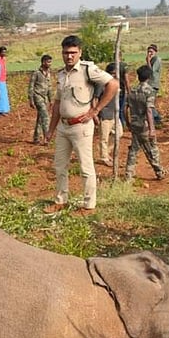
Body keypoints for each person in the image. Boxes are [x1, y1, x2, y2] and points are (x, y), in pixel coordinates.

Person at [44, 35, 117, 216]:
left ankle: (88, 205)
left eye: (73, 53)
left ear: (79, 53)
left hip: (81, 127)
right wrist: (50, 131)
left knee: (86, 167)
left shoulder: (87, 70)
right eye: (66, 53)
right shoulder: (61, 74)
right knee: (60, 166)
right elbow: (57, 104)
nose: (69, 56)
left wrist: (96, 110)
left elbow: (113, 85)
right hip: (63, 126)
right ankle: (61, 200)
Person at [125, 64, 167, 181]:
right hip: (144, 126)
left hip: (135, 124)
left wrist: (128, 122)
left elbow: (125, 108)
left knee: (133, 149)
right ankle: (159, 171)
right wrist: (152, 129)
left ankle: (129, 174)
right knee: (152, 149)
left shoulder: (132, 90)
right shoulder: (149, 91)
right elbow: (149, 110)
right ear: (149, 77)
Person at [96, 62, 122, 168]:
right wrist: (96, 113)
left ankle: (106, 151)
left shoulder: (116, 83)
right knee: (104, 137)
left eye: (115, 73)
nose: (114, 75)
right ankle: (104, 157)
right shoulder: (101, 84)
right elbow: (95, 99)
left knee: (119, 133)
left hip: (114, 113)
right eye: (112, 73)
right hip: (105, 113)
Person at [28, 54, 53, 145]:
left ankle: (36, 138)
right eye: (48, 62)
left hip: (44, 97)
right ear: (43, 62)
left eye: (50, 62)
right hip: (37, 96)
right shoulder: (36, 73)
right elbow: (31, 86)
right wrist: (31, 99)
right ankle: (47, 138)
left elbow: (49, 87)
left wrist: (51, 100)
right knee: (45, 117)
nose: (50, 64)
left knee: (40, 118)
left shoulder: (49, 73)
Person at [145, 43, 163, 125]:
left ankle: (157, 117)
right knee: (149, 102)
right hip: (149, 84)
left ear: (155, 52)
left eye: (151, 52)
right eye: (148, 52)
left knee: (149, 103)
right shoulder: (152, 59)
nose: (149, 53)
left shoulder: (157, 59)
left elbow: (151, 71)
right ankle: (155, 119)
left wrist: (148, 61)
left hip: (153, 84)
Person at [0, 45, 11, 116]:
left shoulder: (4, 59)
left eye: (5, 52)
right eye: (3, 52)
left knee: (4, 96)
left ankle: (4, 110)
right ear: (0, 52)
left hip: (3, 79)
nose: (4, 53)